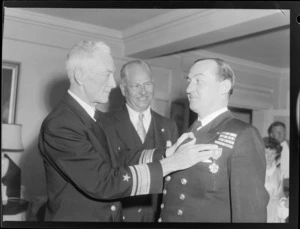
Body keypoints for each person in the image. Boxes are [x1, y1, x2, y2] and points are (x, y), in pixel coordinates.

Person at [38, 40, 217, 222]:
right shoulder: (61, 124)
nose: (112, 84)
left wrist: (167, 154)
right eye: (107, 75)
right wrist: (170, 165)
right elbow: (103, 181)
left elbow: (120, 158)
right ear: (80, 76)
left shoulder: (94, 118)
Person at [159, 58, 270, 222]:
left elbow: (250, 214)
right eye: (189, 81)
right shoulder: (189, 134)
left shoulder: (243, 135)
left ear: (224, 86)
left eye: (198, 80)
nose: (189, 89)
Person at [104, 60, 178, 222]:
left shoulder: (168, 125)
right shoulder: (105, 124)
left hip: (157, 215)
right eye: (136, 86)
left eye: (147, 84)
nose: (143, 92)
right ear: (123, 89)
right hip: (120, 216)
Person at [263, 137, 289, 223]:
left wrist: (285, 202)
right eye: (266, 152)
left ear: (277, 154)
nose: (269, 156)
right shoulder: (255, 170)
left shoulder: (279, 173)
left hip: (274, 212)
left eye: (272, 153)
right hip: (258, 209)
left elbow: (280, 194)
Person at [267, 121, 289, 195]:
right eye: (277, 132)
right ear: (271, 134)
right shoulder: (266, 148)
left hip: (290, 182)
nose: (280, 134)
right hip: (273, 183)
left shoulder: (294, 146)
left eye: (282, 132)